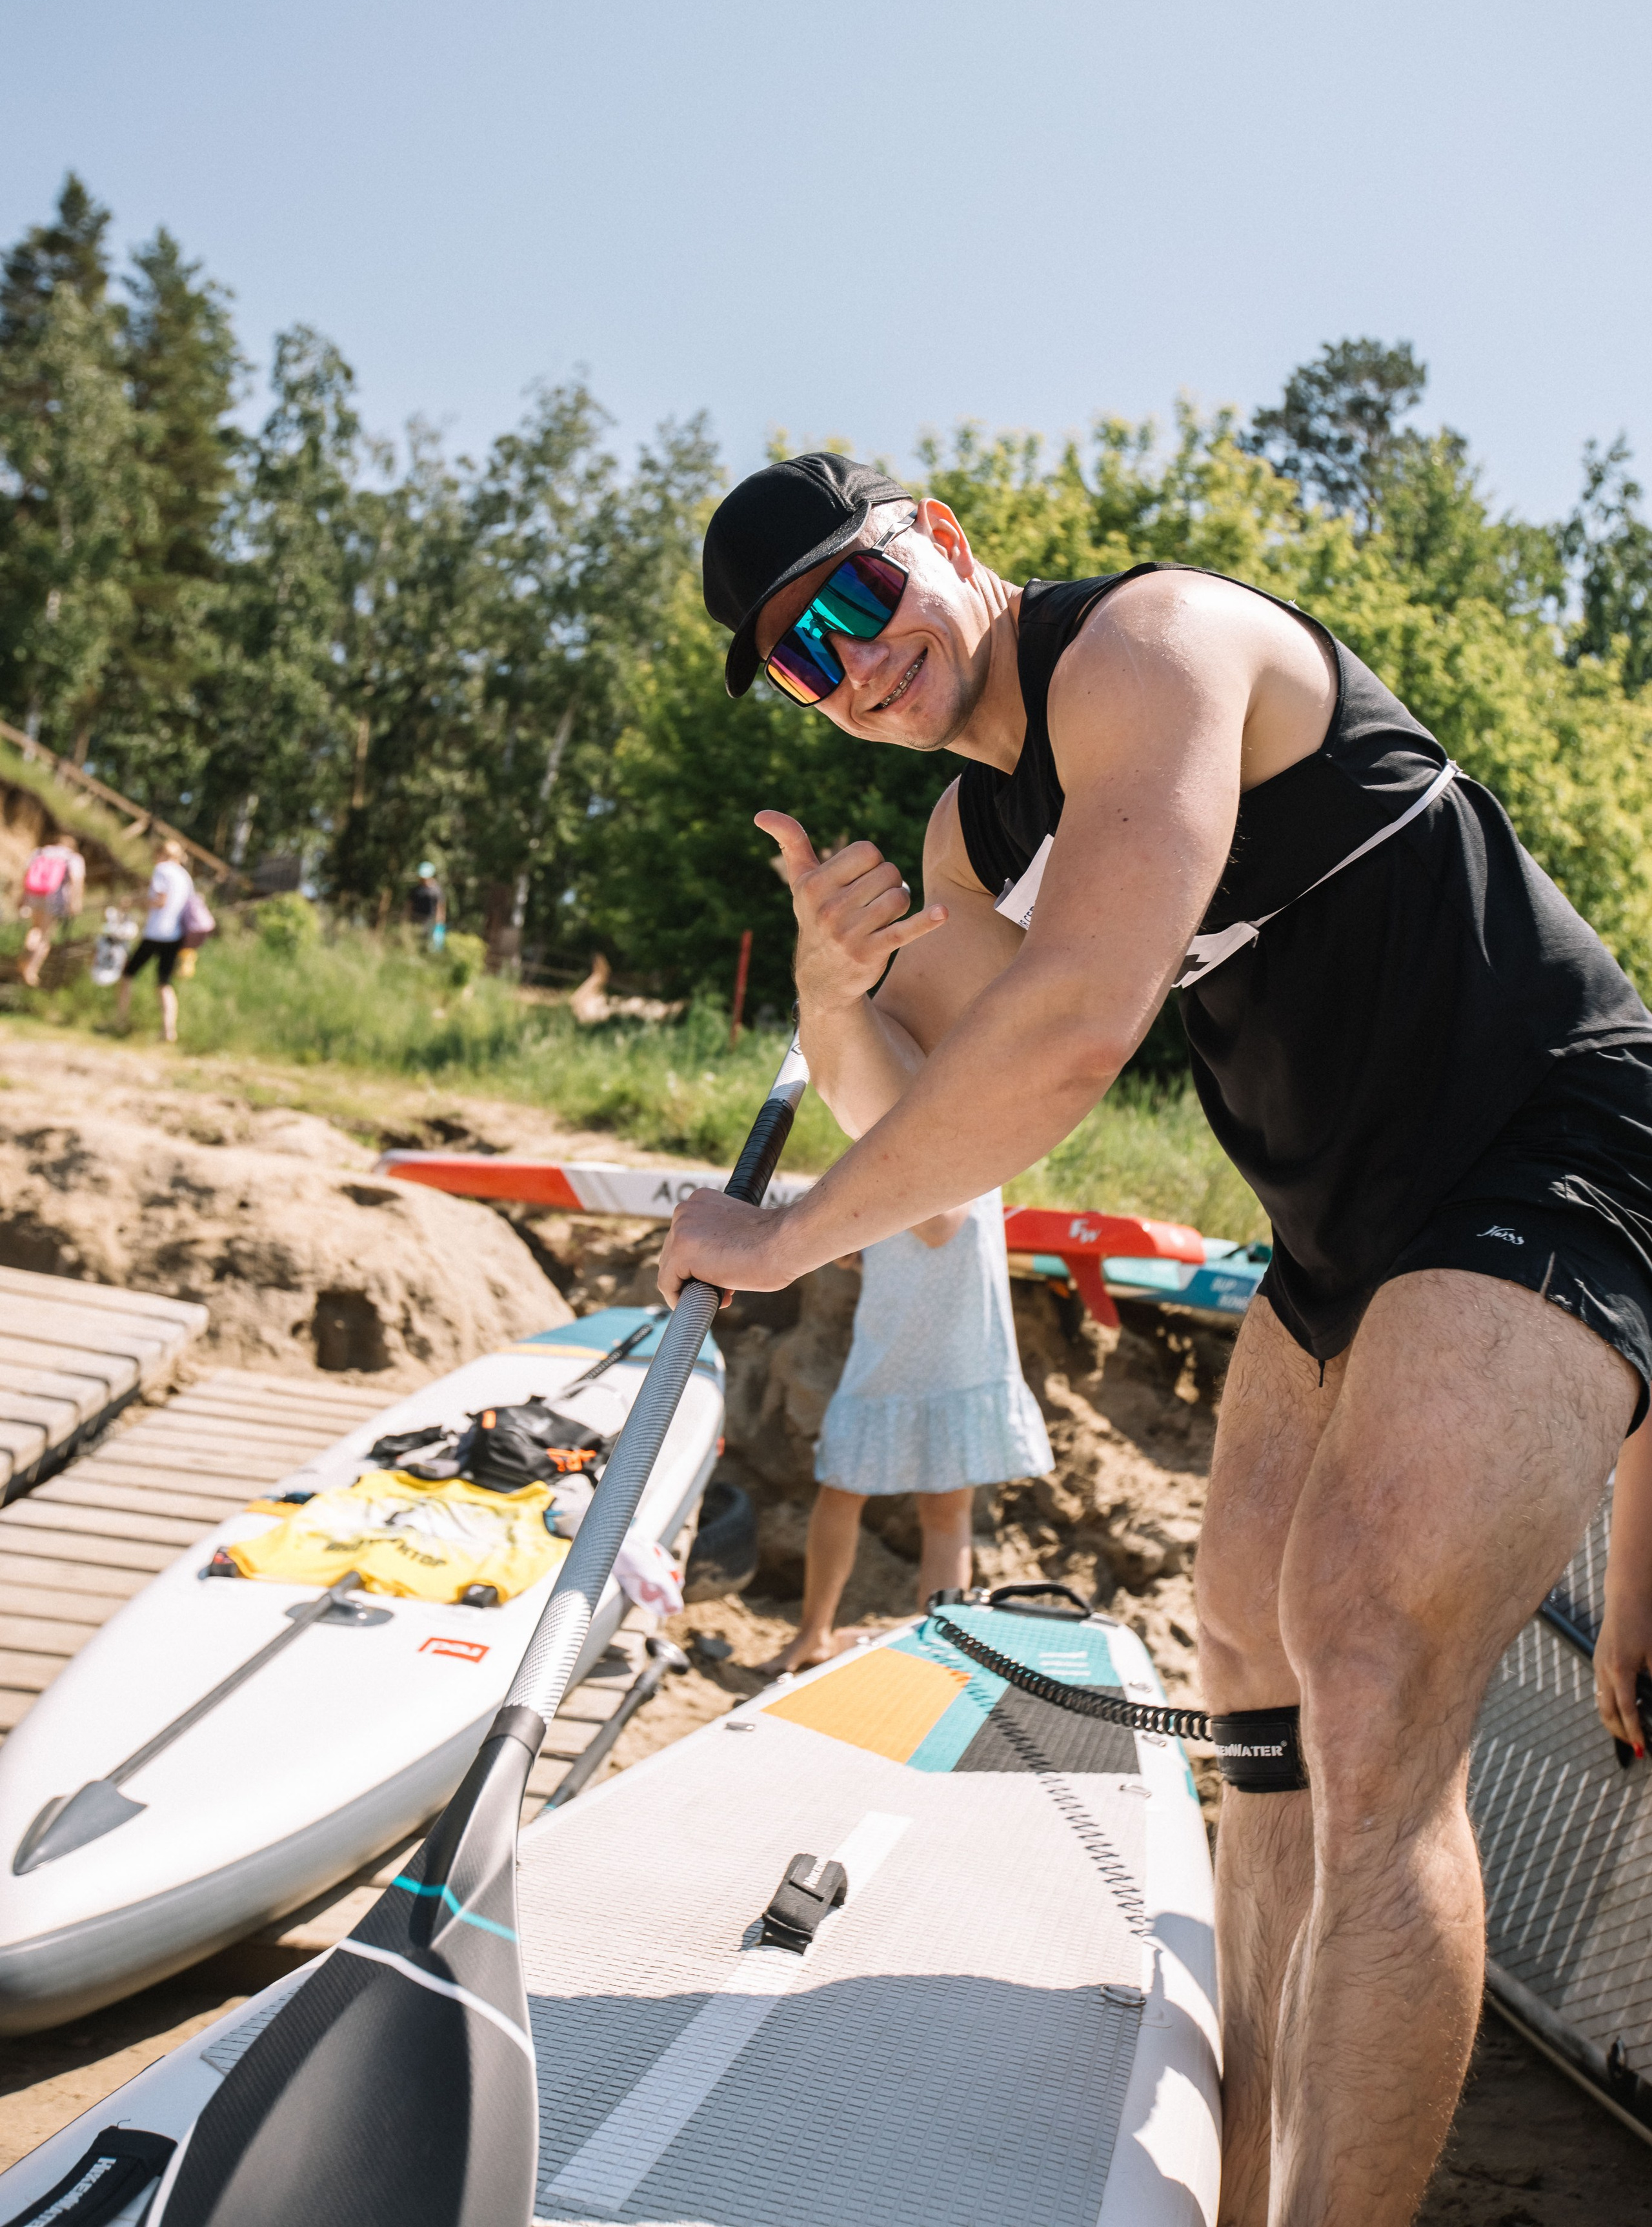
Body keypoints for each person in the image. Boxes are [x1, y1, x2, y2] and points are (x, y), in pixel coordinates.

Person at [656, 453, 1652, 2227]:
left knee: (1363, 1667)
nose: (846, 659)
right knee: (1249, 1667)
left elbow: (1062, 1038)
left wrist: (782, 1235)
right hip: (1345, 1231)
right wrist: (835, 989)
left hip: (1554, 1150)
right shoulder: (976, 836)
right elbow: (951, 1152)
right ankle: (1247, 2186)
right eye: (800, 655)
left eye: (857, 596)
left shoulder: (1152, 650)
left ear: (946, 543)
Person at [758, 1189, 1053, 1677]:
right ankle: (815, 1634)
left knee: (943, 1507)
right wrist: (858, 1235)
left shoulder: (957, 1128)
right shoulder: (914, 1126)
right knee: (844, 1487)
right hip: (899, 1321)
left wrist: (861, 1205)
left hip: (955, 1337)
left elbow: (942, 1221)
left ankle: (939, 1648)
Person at [117, 838, 192, 1044]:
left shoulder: (162, 870)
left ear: (161, 854)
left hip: (156, 933)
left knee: (128, 974)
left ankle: (120, 1021)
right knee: (164, 982)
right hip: (176, 935)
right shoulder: (185, 876)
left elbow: (160, 901)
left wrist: (133, 903)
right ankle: (168, 1030)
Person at [17, 835, 85, 987]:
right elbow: (76, 880)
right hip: (55, 898)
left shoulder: (41, 852)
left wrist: (22, 897)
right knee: (46, 935)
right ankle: (31, 969)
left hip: (34, 894)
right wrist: (75, 902)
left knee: (35, 928)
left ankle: (28, 951)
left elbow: (27, 874)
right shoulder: (73, 858)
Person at [409, 861, 447, 949]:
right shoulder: (416, 890)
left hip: (432, 921)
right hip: (417, 920)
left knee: (432, 946)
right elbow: (409, 905)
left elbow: (441, 907)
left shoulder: (437, 891)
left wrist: (439, 924)